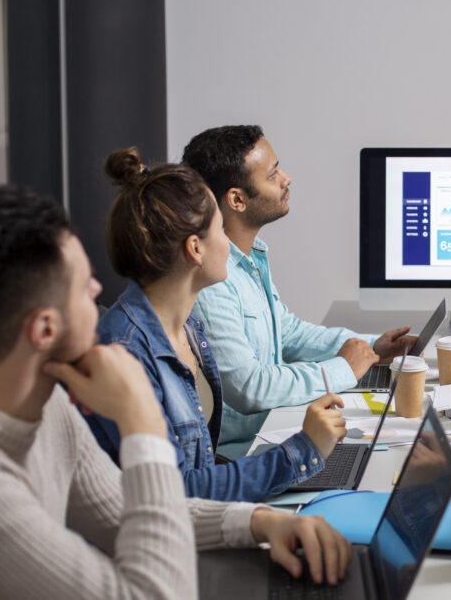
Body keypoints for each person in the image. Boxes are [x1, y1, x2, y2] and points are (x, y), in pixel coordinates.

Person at [0, 186, 351, 598]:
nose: (97, 293)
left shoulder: (46, 399)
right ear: (45, 331)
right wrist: (140, 419)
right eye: (83, 286)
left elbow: (125, 511)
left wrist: (259, 522)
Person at [85, 148, 349, 502]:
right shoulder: (128, 351)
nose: (229, 242)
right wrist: (302, 449)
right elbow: (178, 493)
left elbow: (200, 468)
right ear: (195, 248)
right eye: (220, 230)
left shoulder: (188, 327)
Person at [182, 125, 417, 456]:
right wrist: (343, 370)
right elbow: (249, 387)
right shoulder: (212, 282)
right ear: (237, 199)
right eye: (273, 173)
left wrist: (371, 346)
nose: (286, 178)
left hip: (275, 431)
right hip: (244, 454)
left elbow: (287, 333)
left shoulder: (250, 259)